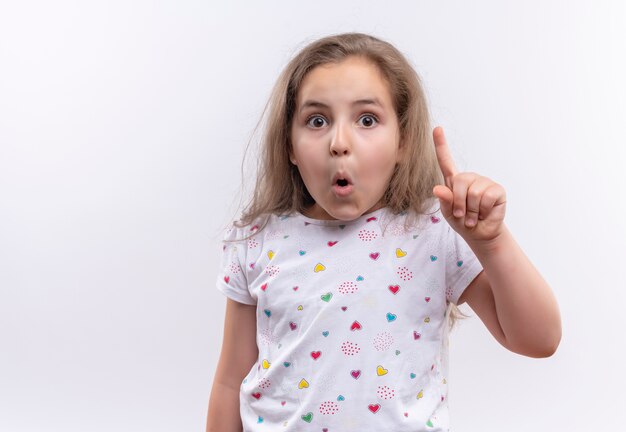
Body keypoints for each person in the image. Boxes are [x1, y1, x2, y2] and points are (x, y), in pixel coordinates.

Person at [206, 32, 561, 432]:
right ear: (289, 143)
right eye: (317, 120)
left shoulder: (434, 232)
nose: (339, 143)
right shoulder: (259, 239)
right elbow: (229, 382)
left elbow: (539, 339)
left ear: (403, 141)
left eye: (367, 119)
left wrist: (491, 243)